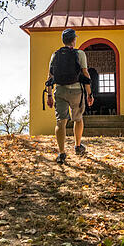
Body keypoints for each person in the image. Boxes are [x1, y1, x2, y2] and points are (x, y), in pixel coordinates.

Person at [46, 28, 94, 164]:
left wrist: (49, 95)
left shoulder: (55, 55)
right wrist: (89, 93)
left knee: (60, 121)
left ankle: (61, 153)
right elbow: (85, 75)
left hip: (60, 91)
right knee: (78, 119)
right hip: (76, 91)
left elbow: (50, 77)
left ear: (63, 41)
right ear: (73, 40)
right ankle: (78, 146)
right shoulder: (80, 54)